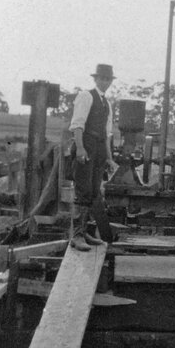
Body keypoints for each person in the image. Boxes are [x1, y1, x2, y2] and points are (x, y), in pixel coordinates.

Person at [69, 64, 119, 251]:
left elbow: (107, 134)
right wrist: (80, 148)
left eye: (108, 79)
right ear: (96, 79)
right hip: (86, 145)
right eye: (102, 78)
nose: (105, 82)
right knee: (82, 190)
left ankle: (86, 232)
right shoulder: (86, 96)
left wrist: (109, 158)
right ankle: (77, 236)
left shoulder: (107, 103)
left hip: (98, 149)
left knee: (93, 191)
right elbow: (78, 126)